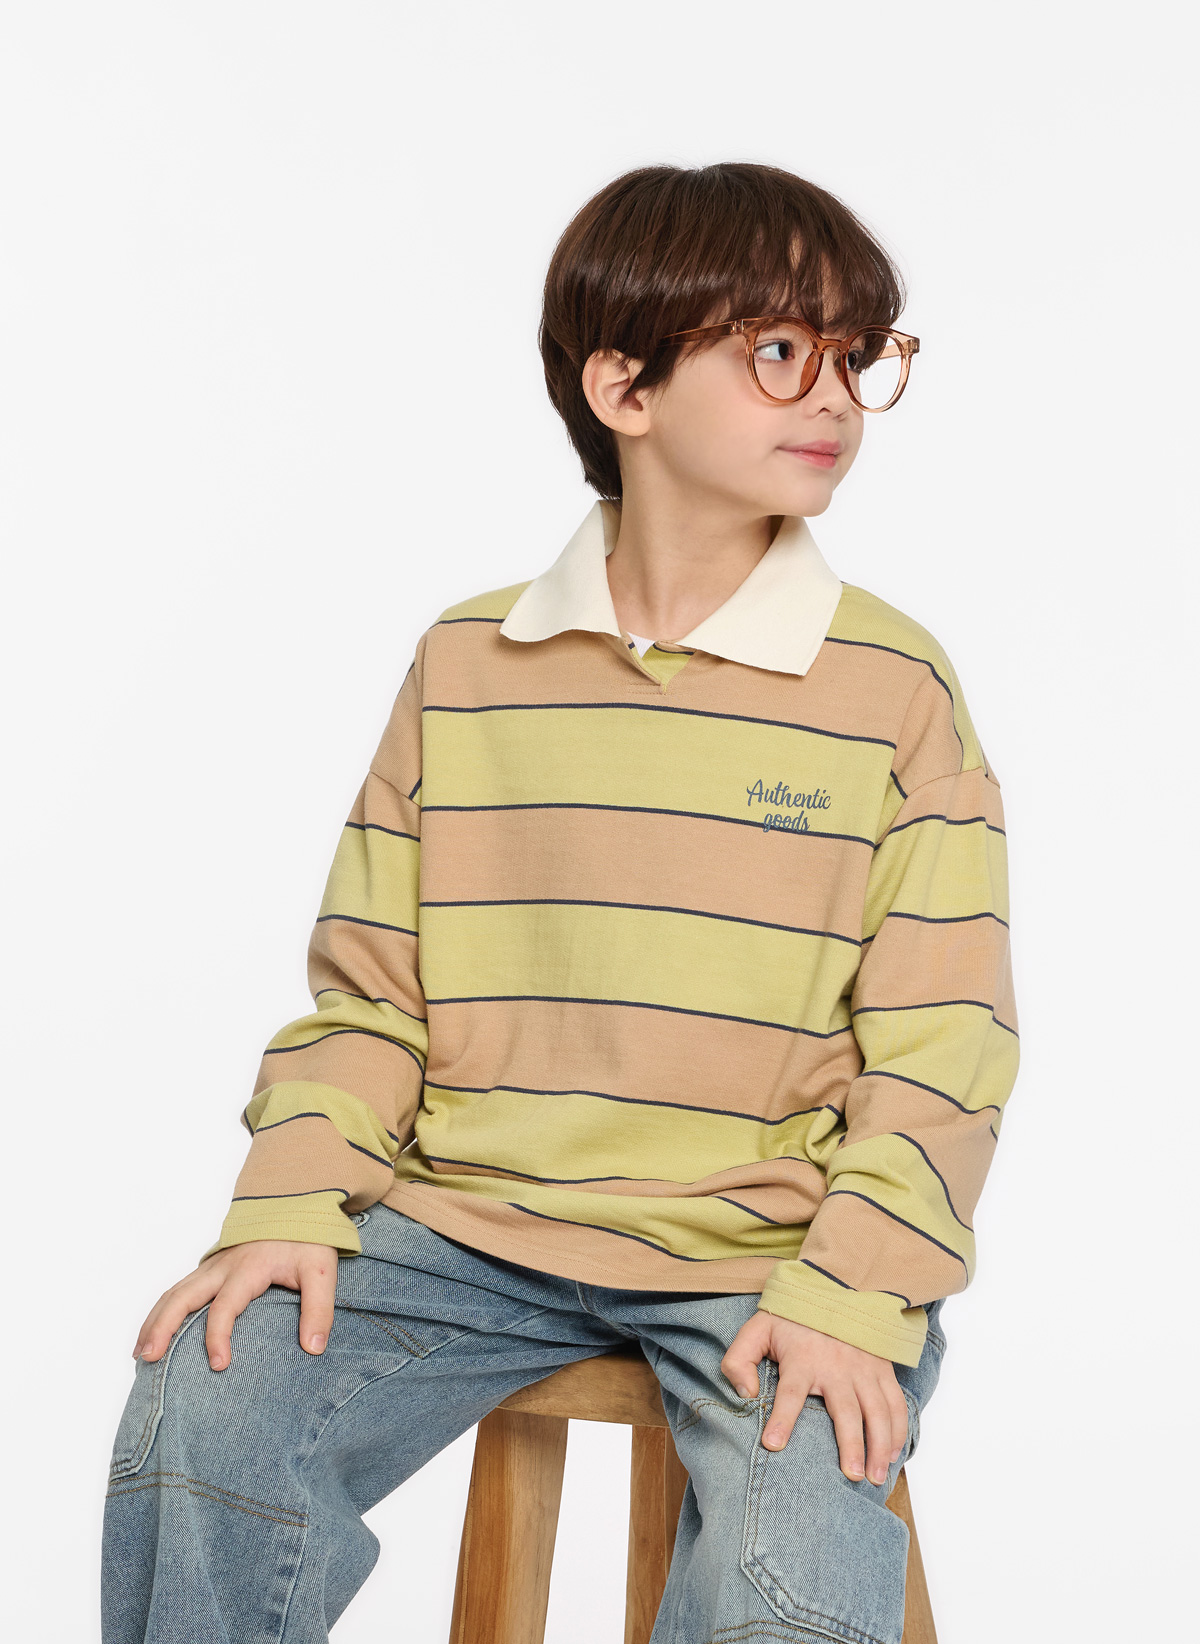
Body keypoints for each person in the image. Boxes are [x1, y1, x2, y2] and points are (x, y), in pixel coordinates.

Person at [102, 161, 1018, 1644]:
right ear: (622, 386)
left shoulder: (894, 688)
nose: (836, 395)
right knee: (206, 1398)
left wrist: (855, 1292)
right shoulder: (467, 663)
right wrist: (290, 1199)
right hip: (461, 1228)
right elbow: (372, 998)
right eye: (782, 350)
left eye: (859, 355)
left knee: (792, 1577)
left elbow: (944, 1048)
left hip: (763, 1254)